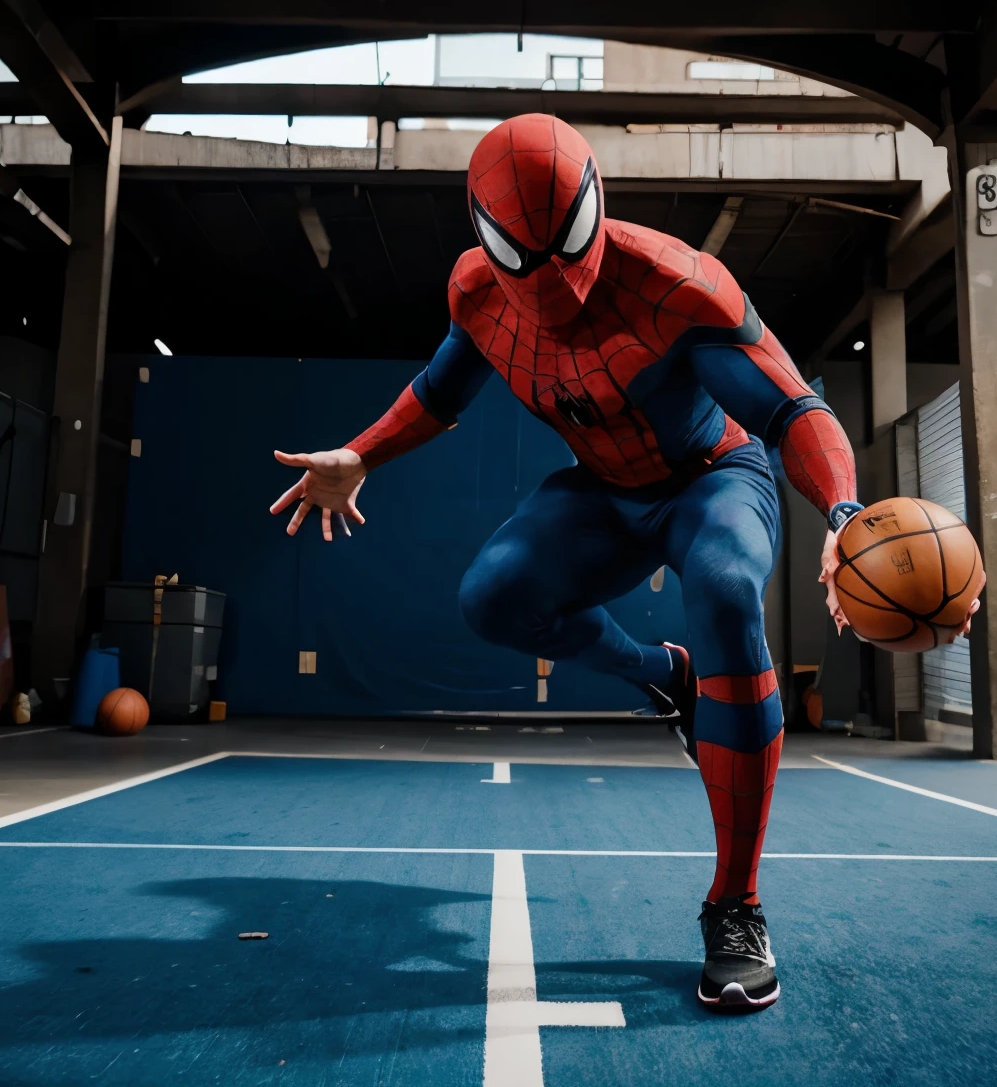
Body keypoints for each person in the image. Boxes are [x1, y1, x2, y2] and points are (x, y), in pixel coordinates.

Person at [271, 115, 896, 1010]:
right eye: (525, 252)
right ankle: (663, 676)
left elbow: (792, 408)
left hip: (715, 477)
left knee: (724, 592)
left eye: (569, 240)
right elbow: (441, 392)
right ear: (484, 234)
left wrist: (842, 512)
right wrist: (361, 454)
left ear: (598, 201)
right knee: (491, 599)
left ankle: (736, 904)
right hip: (603, 491)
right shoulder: (478, 295)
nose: (555, 275)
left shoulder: (680, 285)